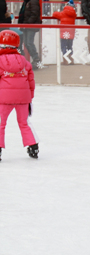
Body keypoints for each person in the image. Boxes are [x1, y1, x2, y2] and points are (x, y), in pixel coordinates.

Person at [0, 30, 38, 160]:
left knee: (1, 123)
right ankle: (33, 146)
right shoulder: (25, 62)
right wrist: (29, 98)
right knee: (24, 123)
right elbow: (31, 82)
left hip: (3, 99)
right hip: (23, 99)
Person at [17, 0, 41, 68]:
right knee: (27, 43)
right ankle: (35, 59)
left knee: (29, 43)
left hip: (30, 26)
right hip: (27, 25)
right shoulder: (28, 1)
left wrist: (28, 23)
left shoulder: (32, 1)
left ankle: (36, 59)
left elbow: (34, 13)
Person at [52, 0, 78, 64]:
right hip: (71, 32)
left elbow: (54, 14)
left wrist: (58, 11)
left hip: (64, 33)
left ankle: (65, 60)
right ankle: (71, 60)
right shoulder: (74, 14)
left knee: (63, 46)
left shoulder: (63, 13)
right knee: (69, 46)